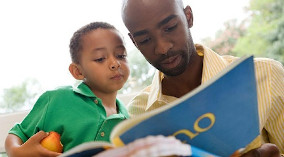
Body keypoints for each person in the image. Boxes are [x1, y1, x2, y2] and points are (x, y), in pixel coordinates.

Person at [121, 0, 284, 156]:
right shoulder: (138, 114)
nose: (162, 48)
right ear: (134, 42)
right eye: (145, 40)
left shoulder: (266, 75)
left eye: (170, 28)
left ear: (188, 17)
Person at [4, 22, 131, 156]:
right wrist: (16, 152)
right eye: (100, 59)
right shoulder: (58, 99)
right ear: (78, 71)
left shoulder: (127, 120)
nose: (115, 64)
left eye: (121, 55)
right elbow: (17, 133)